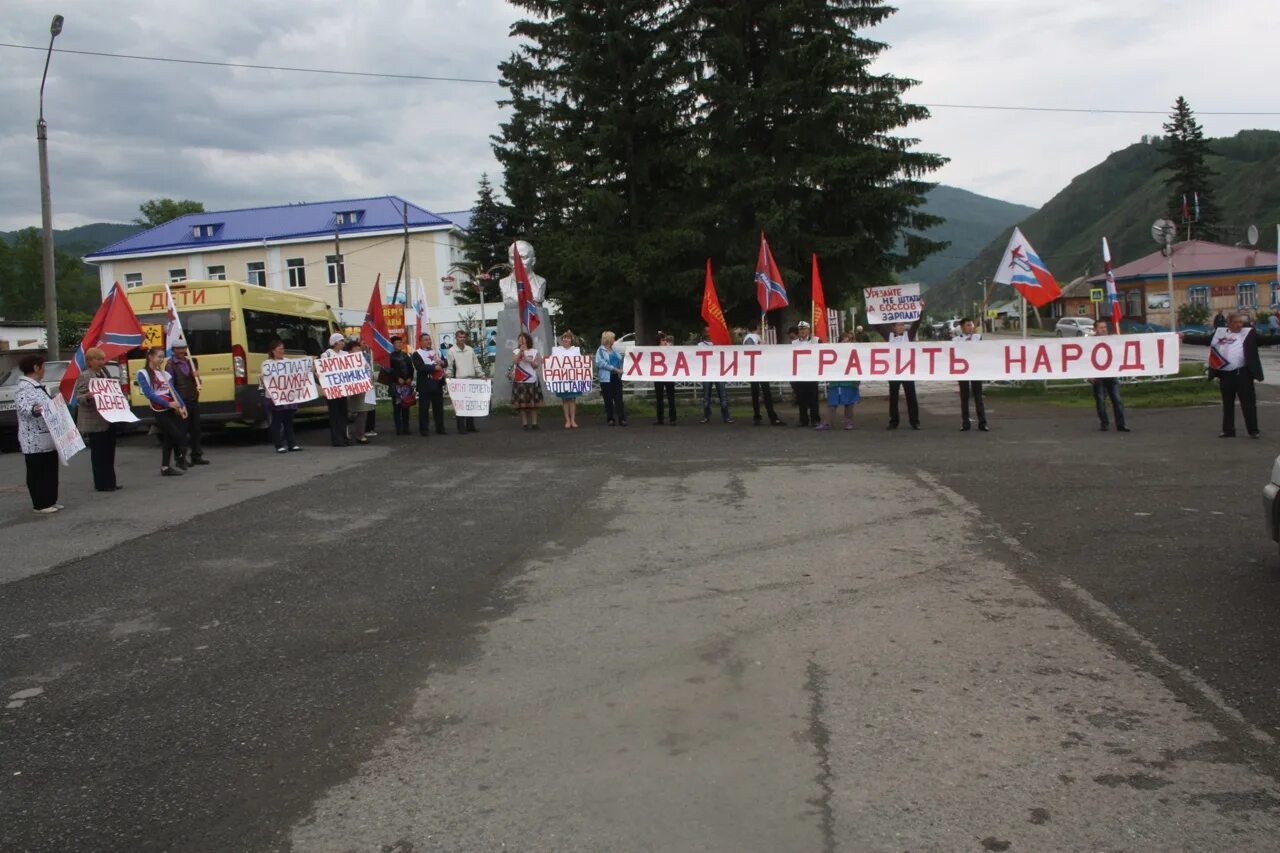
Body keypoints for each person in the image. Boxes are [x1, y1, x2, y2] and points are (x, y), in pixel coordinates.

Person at [15, 354, 61, 512]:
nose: (44, 370)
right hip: (33, 439)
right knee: (38, 472)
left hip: (47, 436)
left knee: (50, 469)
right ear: (36, 367)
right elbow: (24, 408)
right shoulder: (24, 387)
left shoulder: (38, 386)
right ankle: (41, 504)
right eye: (43, 366)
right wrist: (36, 410)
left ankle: (50, 500)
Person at [72, 347, 121, 491]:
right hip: (94, 420)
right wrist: (88, 396)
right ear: (89, 361)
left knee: (109, 452)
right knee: (99, 454)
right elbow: (79, 397)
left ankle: (111, 482)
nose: (101, 362)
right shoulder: (85, 376)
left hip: (108, 418)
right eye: (98, 359)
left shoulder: (104, 373)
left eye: (102, 359)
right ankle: (101, 483)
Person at [1208, 312, 1263, 438]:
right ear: (1229, 323)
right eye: (1236, 322)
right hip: (1225, 374)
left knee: (1248, 404)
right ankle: (1228, 430)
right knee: (1227, 404)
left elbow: (1266, 340)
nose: (1240, 324)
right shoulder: (1220, 333)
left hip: (1242, 374)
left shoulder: (1248, 334)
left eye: (1241, 322)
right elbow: (1205, 340)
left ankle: (1253, 431)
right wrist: (1184, 337)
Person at [137, 345, 189, 475]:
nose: (161, 359)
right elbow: (149, 394)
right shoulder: (143, 373)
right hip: (159, 408)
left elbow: (173, 391)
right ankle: (180, 458)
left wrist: (182, 405)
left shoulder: (164, 374)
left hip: (170, 406)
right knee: (177, 435)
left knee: (169, 438)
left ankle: (165, 467)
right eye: (159, 357)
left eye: (162, 357)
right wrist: (168, 404)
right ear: (150, 357)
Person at [875, 311, 923, 431]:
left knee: (911, 396)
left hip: (906, 371)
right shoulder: (889, 337)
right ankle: (893, 421)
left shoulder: (908, 336)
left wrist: (921, 310)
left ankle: (914, 421)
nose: (901, 327)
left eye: (903, 325)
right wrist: (870, 313)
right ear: (893, 327)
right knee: (893, 397)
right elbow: (878, 326)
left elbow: (916, 324)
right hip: (894, 371)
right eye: (899, 325)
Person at [167, 338, 208, 465]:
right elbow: (170, 385)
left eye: (183, 348)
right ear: (173, 350)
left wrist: (197, 377)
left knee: (196, 429)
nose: (181, 351)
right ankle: (180, 458)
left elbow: (197, 382)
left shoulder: (191, 362)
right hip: (181, 401)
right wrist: (176, 403)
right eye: (178, 349)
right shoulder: (170, 365)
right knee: (181, 432)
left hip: (193, 399)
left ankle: (196, 455)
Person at [261, 339, 302, 453]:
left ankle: (291, 444)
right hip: (275, 397)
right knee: (277, 421)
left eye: (283, 348)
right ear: (273, 351)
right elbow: (265, 379)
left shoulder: (288, 362)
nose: (282, 351)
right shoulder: (267, 364)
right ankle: (279, 444)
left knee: (288, 421)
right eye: (280, 349)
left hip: (288, 396)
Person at [1088, 320, 1129, 432]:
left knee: (1117, 400)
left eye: (1105, 327)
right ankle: (1104, 423)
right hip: (1098, 375)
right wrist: (1089, 374)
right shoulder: (1089, 342)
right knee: (1100, 400)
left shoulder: (1112, 340)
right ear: (1095, 329)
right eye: (1101, 327)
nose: (1104, 329)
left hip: (1111, 374)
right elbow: (1085, 359)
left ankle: (1121, 424)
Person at [742, 322, 784, 426]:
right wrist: (761, 346)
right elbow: (750, 351)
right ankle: (768, 417)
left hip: (757, 369)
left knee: (758, 393)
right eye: (759, 328)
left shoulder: (752, 338)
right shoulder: (751, 338)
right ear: (756, 328)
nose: (761, 329)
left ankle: (759, 416)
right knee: (764, 393)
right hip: (757, 370)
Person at [953, 318, 988, 432]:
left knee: (978, 397)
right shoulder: (956, 339)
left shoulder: (977, 337)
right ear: (962, 327)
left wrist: (972, 341)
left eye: (971, 325)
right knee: (964, 397)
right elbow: (956, 351)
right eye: (967, 325)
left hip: (975, 370)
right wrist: (966, 342)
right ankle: (965, 423)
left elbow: (981, 350)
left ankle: (982, 423)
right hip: (963, 371)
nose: (970, 327)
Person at [413, 332, 449, 436]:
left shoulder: (437, 351)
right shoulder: (417, 353)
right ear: (420, 341)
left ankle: (440, 428)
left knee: (438, 407)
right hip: (425, 383)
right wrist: (433, 368)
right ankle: (424, 429)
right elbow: (419, 367)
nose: (428, 341)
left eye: (429, 339)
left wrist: (442, 363)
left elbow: (445, 362)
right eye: (425, 339)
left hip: (437, 383)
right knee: (424, 408)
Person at [826, 332, 861, 430]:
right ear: (840, 341)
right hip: (836, 382)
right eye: (843, 340)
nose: (846, 342)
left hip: (849, 382)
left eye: (848, 340)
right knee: (832, 403)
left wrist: (857, 381)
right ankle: (828, 423)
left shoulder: (855, 353)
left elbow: (858, 368)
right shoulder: (833, 353)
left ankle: (849, 422)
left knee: (849, 404)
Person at [698, 327, 733, 424]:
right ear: (704, 333)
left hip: (719, 373)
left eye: (710, 331)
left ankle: (726, 417)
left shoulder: (718, 344)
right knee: (706, 397)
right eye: (706, 331)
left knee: (723, 396)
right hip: (706, 374)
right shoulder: (700, 345)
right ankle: (706, 416)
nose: (708, 333)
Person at [450, 329, 481, 434]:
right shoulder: (452, 351)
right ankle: (461, 427)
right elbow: (449, 366)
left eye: (463, 337)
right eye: (460, 337)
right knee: (460, 405)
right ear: (456, 338)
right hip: (459, 380)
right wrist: (449, 378)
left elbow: (476, 363)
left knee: (470, 404)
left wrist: (481, 375)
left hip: (471, 379)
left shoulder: (470, 349)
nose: (462, 339)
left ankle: (470, 426)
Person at [551, 329, 584, 429]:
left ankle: (573, 420)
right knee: (565, 400)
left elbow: (580, 363)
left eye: (568, 338)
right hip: (562, 379)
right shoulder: (556, 350)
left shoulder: (575, 350)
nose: (566, 339)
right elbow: (552, 363)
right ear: (561, 340)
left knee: (573, 399)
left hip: (573, 379)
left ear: (571, 340)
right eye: (564, 337)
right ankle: (567, 420)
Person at [321, 333, 350, 447]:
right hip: (332, 390)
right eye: (341, 341)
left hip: (343, 390)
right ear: (335, 343)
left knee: (343, 414)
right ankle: (336, 439)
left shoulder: (346, 354)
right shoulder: (326, 355)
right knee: (335, 415)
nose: (343, 343)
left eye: (343, 341)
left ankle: (344, 437)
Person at [792, 321, 821, 429]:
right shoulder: (794, 343)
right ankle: (803, 419)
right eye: (800, 329)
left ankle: (815, 419)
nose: (802, 331)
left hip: (812, 373)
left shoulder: (816, 341)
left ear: (809, 330)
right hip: (800, 374)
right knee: (801, 398)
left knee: (813, 398)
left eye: (804, 329)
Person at [511, 331, 543, 430]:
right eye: (519, 339)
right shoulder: (516, 351)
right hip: (520, 381)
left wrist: (528, 360)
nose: (521, 340)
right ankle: (524, 424)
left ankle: (534, 423)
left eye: (523, 338)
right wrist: (521, 352)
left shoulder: (534, 351)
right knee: (523, 405)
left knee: (533, 405)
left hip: (532, 380)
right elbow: (515, 361)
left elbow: (536, 365)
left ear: (527, 340)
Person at [345, 339, 375, 444]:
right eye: (356, 349)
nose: (358, 350)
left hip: (363, 389)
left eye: (359, 348)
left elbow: (368, 371)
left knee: (363, 412)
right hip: (350, 390)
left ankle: (360, 435)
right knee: (348, 413)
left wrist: (370, 379)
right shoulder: (345, 360)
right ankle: (346, 434)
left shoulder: (363, 359)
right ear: (350, 351)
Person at [596, 330, 627, 427]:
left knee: (619, 399)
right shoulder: (600, 350)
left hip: (616, 377)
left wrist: (621, 368)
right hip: (606, 378)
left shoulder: (615, 349)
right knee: (608, 400)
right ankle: (610, 419)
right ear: (609, 339)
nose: (615, 339)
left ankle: (622, 419)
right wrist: (614, 368)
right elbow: (600, 363)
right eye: (613, 337)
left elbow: (620, 359)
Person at [387, 335, 415, 435]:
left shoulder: (406, 355)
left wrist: (410, 378)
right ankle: (398, 429)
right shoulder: (390, 356)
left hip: (406, 385)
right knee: (397, 408)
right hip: (396, 386)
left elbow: (411, 368)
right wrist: (397, 378)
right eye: (396, 343)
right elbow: (389, 370)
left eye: (400, 342)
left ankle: (406, 428)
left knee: (406, 406)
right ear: (393, 345)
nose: (399, 344)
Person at [653, 331, 677, 425]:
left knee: (671, 398)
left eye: (665, 340)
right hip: (658, 376)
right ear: (658, 341)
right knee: (659, 398)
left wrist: (669, 348)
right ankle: (660, 419)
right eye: (663, 340)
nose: (665, 342)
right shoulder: (653, 350)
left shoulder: (669, 349)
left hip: (669, 376)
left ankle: (673, 419)